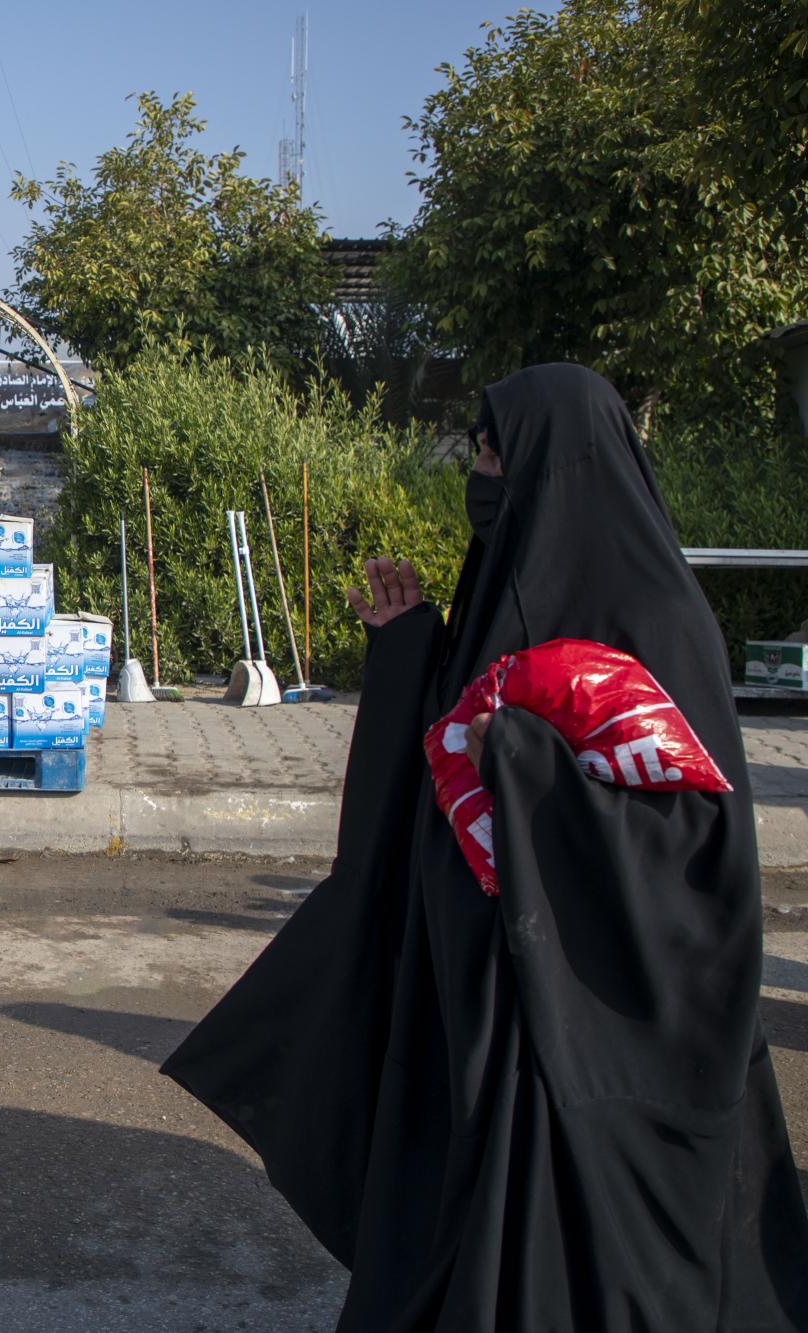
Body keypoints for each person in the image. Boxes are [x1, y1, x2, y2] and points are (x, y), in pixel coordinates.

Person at [161, 364, 808, 1329]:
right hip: (480, 985)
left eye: (497, 455)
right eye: (480, 453)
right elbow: (446, 747)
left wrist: (526, 763)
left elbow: (697, 843)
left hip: (581, 1002)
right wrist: (407, 646)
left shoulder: (659, 619)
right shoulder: (507, 590)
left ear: (559, 464)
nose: (481, 474)